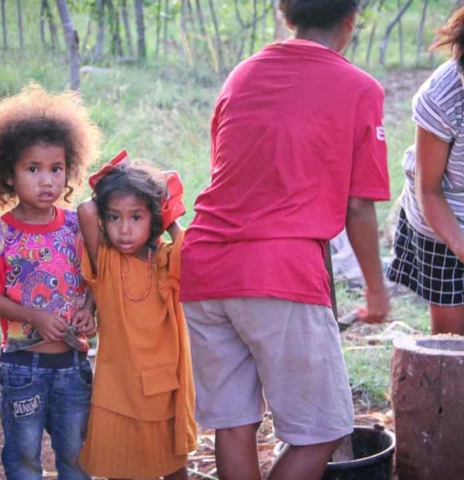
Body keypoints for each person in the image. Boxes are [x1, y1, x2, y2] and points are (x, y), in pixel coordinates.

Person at [180, 1, 391, 479]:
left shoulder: (242, 74)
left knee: (234, 425)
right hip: (280, 274)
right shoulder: (360, 88)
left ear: (286, 16)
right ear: (350, 21)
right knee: (322, 431)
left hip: (204, 267)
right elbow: (359, 205)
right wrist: (376, 291)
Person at [0, 83, 101, 480]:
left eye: (56, 169)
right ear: (7, 175)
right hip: (22, 367)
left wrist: (90, 310)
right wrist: (34, 316)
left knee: (77, 455)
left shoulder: (78, 225)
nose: (47, 181)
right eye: (33, 169)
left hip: (74, 363)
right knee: (24, 455)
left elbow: (95, 280)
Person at [77, 153, 197, 480]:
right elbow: (86, 210)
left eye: (136, 217)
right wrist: (118, 176)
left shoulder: (163, 261)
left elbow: (189, 245)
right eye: (114, 218)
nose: (125, 230)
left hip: (162, 384)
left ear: (153, 219)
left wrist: (168, 216)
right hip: (118, 386)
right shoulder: (105, 261)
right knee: (121, 467)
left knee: (173, 467)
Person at [387, 6, 464, 335]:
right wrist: (461, 246)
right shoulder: (441, 99)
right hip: (443, 221)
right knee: (453, 347)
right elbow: (429, 190)